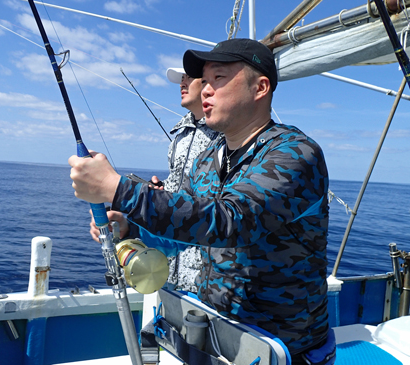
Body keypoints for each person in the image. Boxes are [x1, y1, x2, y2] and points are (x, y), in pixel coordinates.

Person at [69, 38, 332, 363]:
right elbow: (184, 233)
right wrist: (129, 229)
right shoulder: (208, 159)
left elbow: (231, 221)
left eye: (218, 79)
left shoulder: (296, 154)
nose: (205, 90)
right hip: (217, 335)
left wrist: (117, 189)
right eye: (203, 81)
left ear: (260, 87)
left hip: (284, 349)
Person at [154, 68, 219, 292]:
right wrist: (159, 191)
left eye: (188, 77)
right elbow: (177, 187)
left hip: (205, 278)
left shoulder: (226, 134)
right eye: (181, 79)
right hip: (171, 269)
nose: (182, 84)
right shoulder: (180, 135)